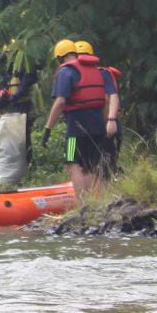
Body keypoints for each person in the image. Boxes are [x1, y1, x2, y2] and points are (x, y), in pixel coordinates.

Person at [42, 39, 119, 197]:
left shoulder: (66, 72)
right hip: (98, 124)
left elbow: (60, 102)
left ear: (60, 57)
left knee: (73, 164)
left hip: (75, 128)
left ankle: (83, 203)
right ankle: (93, 202)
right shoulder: (98, 71)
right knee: (90, 165)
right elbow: (110, 98)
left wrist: (48, 128)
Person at [0, 41, 39, 184]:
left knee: (24, 137)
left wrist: (12, 99)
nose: (8, 57)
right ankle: (72, 164)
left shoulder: (26, 68)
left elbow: (24, 86)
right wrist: (0, 100)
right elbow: (7, 89)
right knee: (16, 138)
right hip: (16, 107)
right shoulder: (11, 71)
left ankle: (71, 164)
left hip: (24, 106)